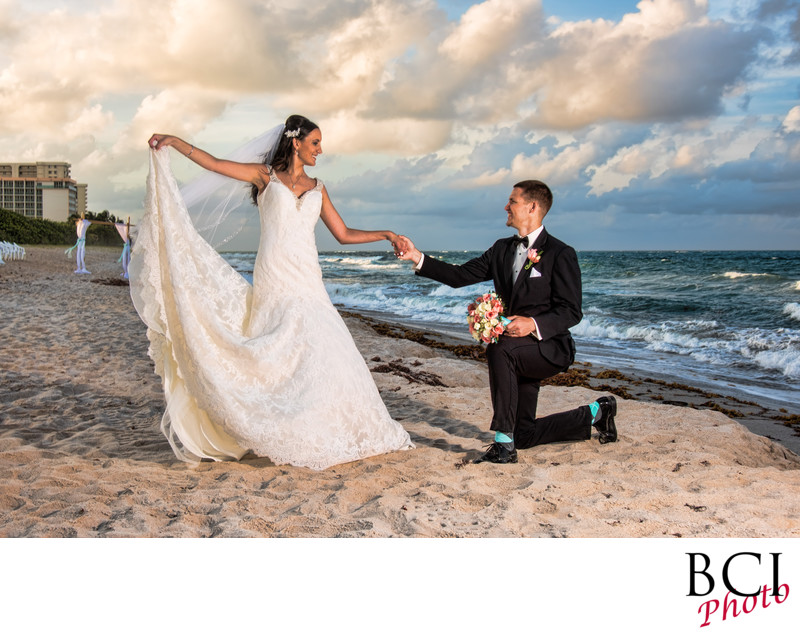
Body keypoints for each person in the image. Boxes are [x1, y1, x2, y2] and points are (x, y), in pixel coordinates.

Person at [130, 114, 413, 470]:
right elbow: (216, 164)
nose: (320, 150)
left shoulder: (318, 187)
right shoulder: (265, 176)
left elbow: (343, 234)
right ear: (296, 142)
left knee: (325, 350)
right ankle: (275, 424)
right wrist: (175, 141)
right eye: (315, 143)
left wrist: (387, 234)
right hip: (275, 278)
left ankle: (322, 427)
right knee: (276, 353)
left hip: (308, 278)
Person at [397, 180, 617, 464]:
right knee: (524, 434)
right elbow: (459, 276)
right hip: (516, 351)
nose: (506, 206)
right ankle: (597, 413)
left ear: (532, 207)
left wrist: (532, 324)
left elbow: (571, 311)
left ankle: (502, 444)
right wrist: (417, 257)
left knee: (498, 349)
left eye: (512, 201)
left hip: (549, 348)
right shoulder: (501, 249)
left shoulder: (561, 253)